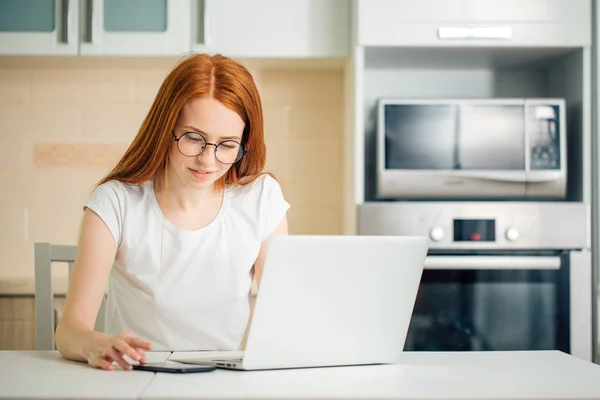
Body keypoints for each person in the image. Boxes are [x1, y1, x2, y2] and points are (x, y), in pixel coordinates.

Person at [55, 53, 290, 371]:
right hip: (136, 376)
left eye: (228, 144)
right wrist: (95, 343)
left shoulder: (260, 199)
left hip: (222, 381)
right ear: (165, 129)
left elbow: (283, 312)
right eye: (194, 138)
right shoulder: (116, 202)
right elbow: (70, 332)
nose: (208, 160)